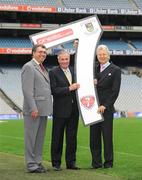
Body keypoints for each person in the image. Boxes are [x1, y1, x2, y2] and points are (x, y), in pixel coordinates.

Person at [21, 44, 53, 173]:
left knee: (39, 138)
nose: (43, 54)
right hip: (34, 110)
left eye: (44, 52)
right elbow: (27, 91)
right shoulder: (29, 67)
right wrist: (33, 108)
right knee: (31, 138)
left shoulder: (42, 68)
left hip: (43, 109)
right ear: (33, 53)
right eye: (40, 52)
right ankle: (31, 164)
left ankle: (38, 162)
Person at [90, 44, 121, 169]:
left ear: (108, 55)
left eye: (104, 54)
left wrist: (105, 105)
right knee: (94, 138)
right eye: (99, 55)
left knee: (107, 137)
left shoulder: (115, 69)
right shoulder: (93, 68)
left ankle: (108, 162)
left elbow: (115, 91)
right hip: (92, 109)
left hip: (106, 109)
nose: (102, 56)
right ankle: (96, 163)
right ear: (97, 56)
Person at [49, 50, 80, 171]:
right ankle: (56, 163)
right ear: (58, 59)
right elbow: (53, 90)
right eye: (62, 59)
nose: (65, 61)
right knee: (57, 137)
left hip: (74, 110)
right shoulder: (53, 72)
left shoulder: (74, 70)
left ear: (69, 59)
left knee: (72, 138)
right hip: (60, 110)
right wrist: (69, 88)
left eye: (66, 59)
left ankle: (71, 163)